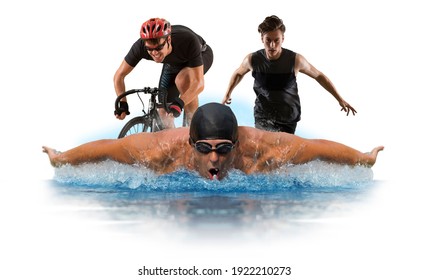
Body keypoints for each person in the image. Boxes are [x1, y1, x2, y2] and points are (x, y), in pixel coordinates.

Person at [43, 103, 383, 181]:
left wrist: (363, 158)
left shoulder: (261, 149)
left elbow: (316, 148)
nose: (215, 160)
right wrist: (61, 158)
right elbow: (108, 149)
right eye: (205, 149)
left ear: (237, 144)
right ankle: (168, 115)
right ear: (192, 146)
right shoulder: (162, 150)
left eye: (224, 149)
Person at [221, 15, 356, 134]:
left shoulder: (296, 60)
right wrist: (228, 93)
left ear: (283, 39)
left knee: (281, 157)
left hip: (288, 117)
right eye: (268, 40)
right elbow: (238, 73)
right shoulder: (252, 59)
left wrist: (340, 99)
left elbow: (319, 76)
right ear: (262, 38)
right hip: (263, 115)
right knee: (263, 153)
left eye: (276, 40)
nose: (272, 45)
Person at [114, 18, 214, 128]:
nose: (154, 53)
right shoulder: (140, 47)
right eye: (149, 49)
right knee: (162, 111)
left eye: (158, 48)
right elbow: (119, 76)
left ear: (169, 40)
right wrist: (123, 103)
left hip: (201, 54)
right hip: (172, 63)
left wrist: (180, 103)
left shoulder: (188, 40)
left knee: (183, 80)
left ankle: (192, 130)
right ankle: (174, 142)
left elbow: (199, 83)